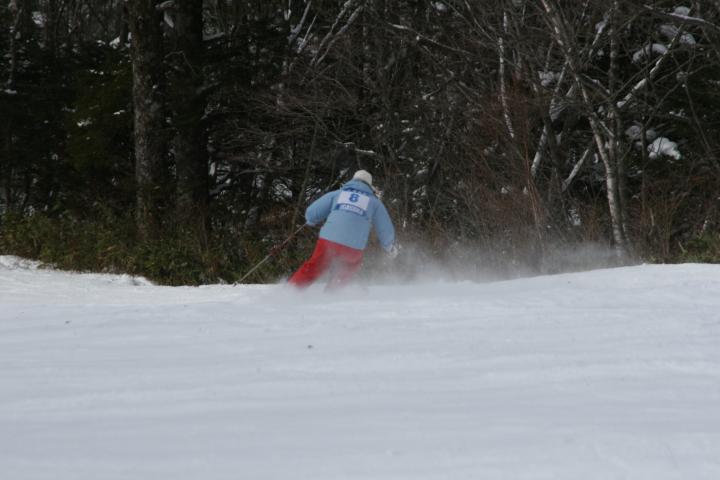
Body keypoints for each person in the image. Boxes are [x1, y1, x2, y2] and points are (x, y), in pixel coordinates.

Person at [289, 170, 397, 289]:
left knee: (315, 266)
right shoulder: (374, 203)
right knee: (346, 270)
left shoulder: (338, 194)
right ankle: (333, 294)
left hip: (329, 240)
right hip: (353, 247)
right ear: (370, 186)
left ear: (353, 180)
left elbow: (312, 212)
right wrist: (389, 247)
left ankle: (291, 291)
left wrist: (311, 220)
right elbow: (385, 228)